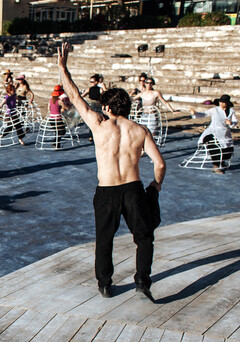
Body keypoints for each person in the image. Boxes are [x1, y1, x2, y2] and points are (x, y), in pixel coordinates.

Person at [58, 43, 166, 302]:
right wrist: (155, 186)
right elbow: (160, 164)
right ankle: (142, 281)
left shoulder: (98, 124)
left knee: (104, 240)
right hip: (133, 188)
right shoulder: (140, 130)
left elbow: (74, 97)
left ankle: (105, 284)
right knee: (144, 238)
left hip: (106, 190)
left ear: (106, 108)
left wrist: (62, 67)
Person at [190, 94, 237, 174]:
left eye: (223, 102)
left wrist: (231, 123)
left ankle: (221, 162)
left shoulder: (231, 111)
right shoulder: (215, 110)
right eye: (220, 102)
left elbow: (235, 121)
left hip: (225, 133)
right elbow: (204, 114)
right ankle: (216, 166)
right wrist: (195, 113)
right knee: (214, 147)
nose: (221, 104)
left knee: (228, 150)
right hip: (213, 132)